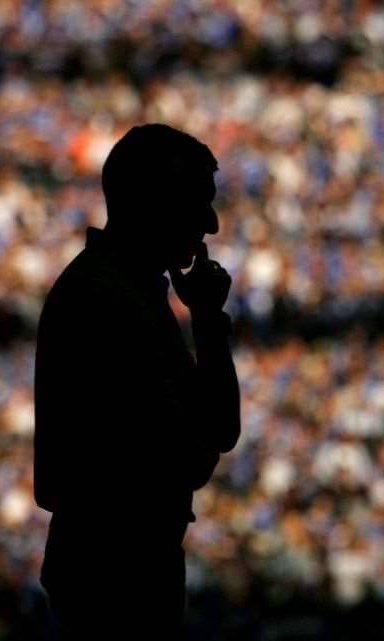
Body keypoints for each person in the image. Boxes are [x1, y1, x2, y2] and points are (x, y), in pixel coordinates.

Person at [33, 124, 241, 639]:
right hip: (118, 576)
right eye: (199, 202)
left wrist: (207, 317)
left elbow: (213, 435)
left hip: (114, 566)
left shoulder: (124, 289)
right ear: (157, 204)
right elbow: (201, 448)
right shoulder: (109, 301)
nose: (211, 225)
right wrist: (209, 323)